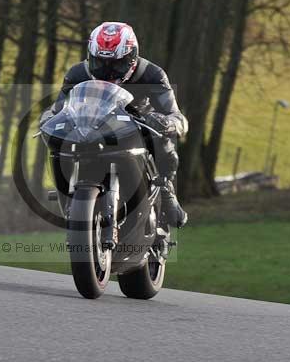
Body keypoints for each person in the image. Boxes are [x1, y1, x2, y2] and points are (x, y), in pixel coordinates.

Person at [42, 21, 188, 227]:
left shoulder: (153, 75)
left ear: (132, 58)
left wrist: (166, 122)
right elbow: (58, 109)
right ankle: (66, 195)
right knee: (58, 142)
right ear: (90, 56)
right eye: (100, 63)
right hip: (93, 132)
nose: (108, 72)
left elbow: (178, 118)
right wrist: (47, 118)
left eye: (116, 65)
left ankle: (165, 188)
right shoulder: (77, 74)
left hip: (136, 132)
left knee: (163, 138)